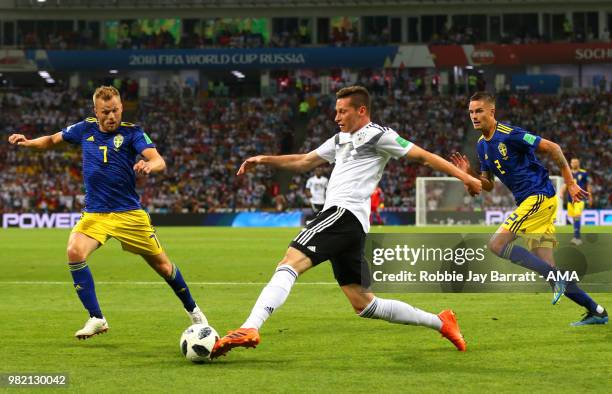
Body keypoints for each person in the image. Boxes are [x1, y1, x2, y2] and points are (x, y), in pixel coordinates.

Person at [211, 85, 483, 358]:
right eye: (336, 111)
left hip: (342, 214)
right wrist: (265, 160)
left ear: (361, 111)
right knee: (364, 304)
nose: (336, 117)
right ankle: (441, 322)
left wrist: (468, 178)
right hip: (352, 225)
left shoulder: (379, 136)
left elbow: (423, 156)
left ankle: (250, 326)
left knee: (289, 262)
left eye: (343, 111)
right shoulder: (340, 139)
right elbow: (305, 161)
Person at [7, 86, 208, 339]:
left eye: (115, 110)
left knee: (164, 267)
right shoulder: (84, 128)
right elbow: (50, 140)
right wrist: (27, 142)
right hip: (95, 214)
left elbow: (159, 160)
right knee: (74, 251)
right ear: (96, 111)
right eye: (105, 112)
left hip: (129, 214)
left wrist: (149, 165)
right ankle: (96, 317)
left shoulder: (132, 133)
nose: (111, 116)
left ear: (121, 107)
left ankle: (194, 311)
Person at [450, 91, 607, 326]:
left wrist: (570, 182)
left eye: (479, 111)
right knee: (549, 267)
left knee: (496, 244)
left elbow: (553, 148)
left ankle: (556, 279)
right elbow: (488, 186)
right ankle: (596, 310)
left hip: (539, 196)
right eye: (471, 112)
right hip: (530, 201)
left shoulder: (511, 135)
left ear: (491, 112)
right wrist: (468, 175)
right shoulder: (482, 146)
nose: (474, 116)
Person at [560, 158, 592, 245]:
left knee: (577, 215)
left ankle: (577, 238)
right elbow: (565, 184)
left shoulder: (583, 173)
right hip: (570, 199)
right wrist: (561, 192)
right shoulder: (568, 172)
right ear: (570, 163)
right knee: (574, 217)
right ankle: (576, 236)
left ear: (579, 163)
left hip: (580, 198)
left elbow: (588, 185)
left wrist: (590, 196)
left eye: (576, 162)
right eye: (573, 162)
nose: (574, 163)